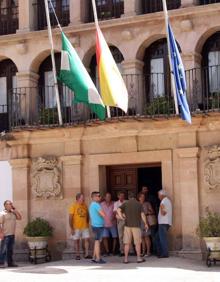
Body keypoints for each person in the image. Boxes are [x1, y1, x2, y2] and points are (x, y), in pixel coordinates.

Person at [117, 192, 148, 264]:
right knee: (137, 243)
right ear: (135, 197)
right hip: (136, 226)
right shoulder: (139, 204)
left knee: (126, 243)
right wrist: (146, 223)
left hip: (127, 226)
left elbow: (118, 210)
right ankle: (138, 258)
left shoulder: (126, 203)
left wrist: (122, 217)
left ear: (128, 197)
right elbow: (142, 215)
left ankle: (125, 259)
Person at [69, 193, 91, 260]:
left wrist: (87, 223)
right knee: (76, 241)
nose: (83, 199)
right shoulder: (73, 206)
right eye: (82, 198)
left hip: (85, 226)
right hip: (76, 227)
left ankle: (87, 254)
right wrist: (71, 228)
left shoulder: (85, 205)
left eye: (83, 198)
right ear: (78, 199)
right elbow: (70, 218)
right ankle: (77, 254)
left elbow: (87, 215)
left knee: (87, 239)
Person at [0, 200, 22, 268]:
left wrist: (15, 210)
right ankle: (1, 263)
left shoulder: (13, 213)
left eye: (11, 204)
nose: (10, 205)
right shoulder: (2, 213)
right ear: (5, 205)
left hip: (12, 234)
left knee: (10, 250)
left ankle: (10, 263)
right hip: (5, 234)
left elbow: (19, 218)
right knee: (3, 250)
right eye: (9, 204)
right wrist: (1, 233)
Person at [89, 191, 106, 264]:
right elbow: (103, 214)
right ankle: (98, 259)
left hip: (94, 225)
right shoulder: (96, 205)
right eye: (98, 196)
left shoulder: (91, 205)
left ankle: (94, 257)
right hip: (98, 226)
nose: (100, 197)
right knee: (97, 242)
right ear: (94, 197)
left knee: (97, 241)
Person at [157, 190, 172, 258]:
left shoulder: (163, 201)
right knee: (157, 238)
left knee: (162, 238)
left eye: (158, 195)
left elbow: (163, 213)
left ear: (161, 195)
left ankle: (164, 253)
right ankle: (160, 252)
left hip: (163, 222)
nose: (158, 197)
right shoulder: (167, 201)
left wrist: (160, 208)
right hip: (166, 222)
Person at [113, 191, 126, 256]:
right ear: (118, 196)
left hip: (126, 220)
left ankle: (130, 250)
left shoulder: (126, 202)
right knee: (120, 236)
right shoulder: (116, 203)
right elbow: (115, 212)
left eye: (123, 196)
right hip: (120, 221)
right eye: (121, 195)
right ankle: (122, 251)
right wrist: (121, 215)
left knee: (128, 235)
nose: (122, 197)